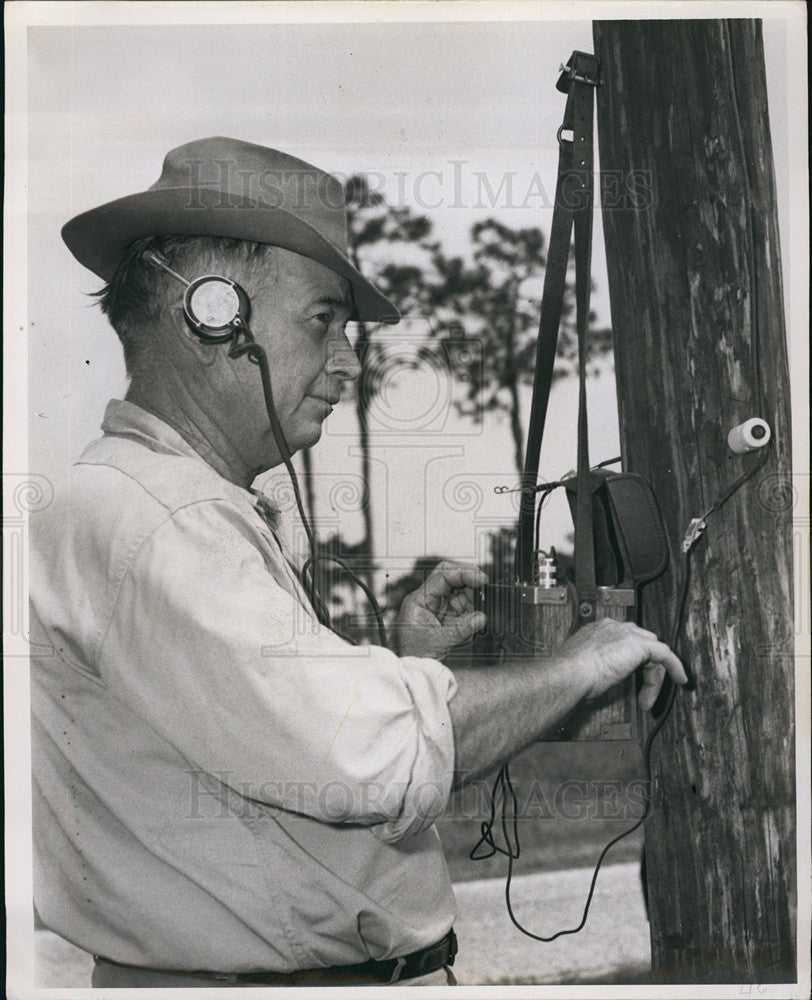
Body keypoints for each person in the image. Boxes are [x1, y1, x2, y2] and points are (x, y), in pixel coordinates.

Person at [30, 137, 686, 988]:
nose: (349, 359)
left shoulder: (144, 504)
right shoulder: (161, 521)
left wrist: (409, 669)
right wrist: (583, 661)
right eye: (322, 319)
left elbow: (273, 754)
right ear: (212, 312)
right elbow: (364, 759)